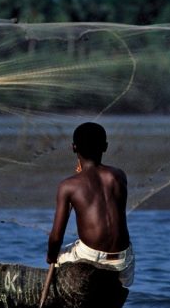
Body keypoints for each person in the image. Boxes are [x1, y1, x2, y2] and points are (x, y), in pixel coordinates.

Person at [46, 122, 134, 286]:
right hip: (123, 259)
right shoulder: (118, 176)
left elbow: (56, 237)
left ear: (73, 148)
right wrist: (86, 172)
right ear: (105, 147)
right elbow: (99, 191)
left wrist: (51, 258)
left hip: (90, 256)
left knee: (56, 259)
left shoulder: (69, 186)